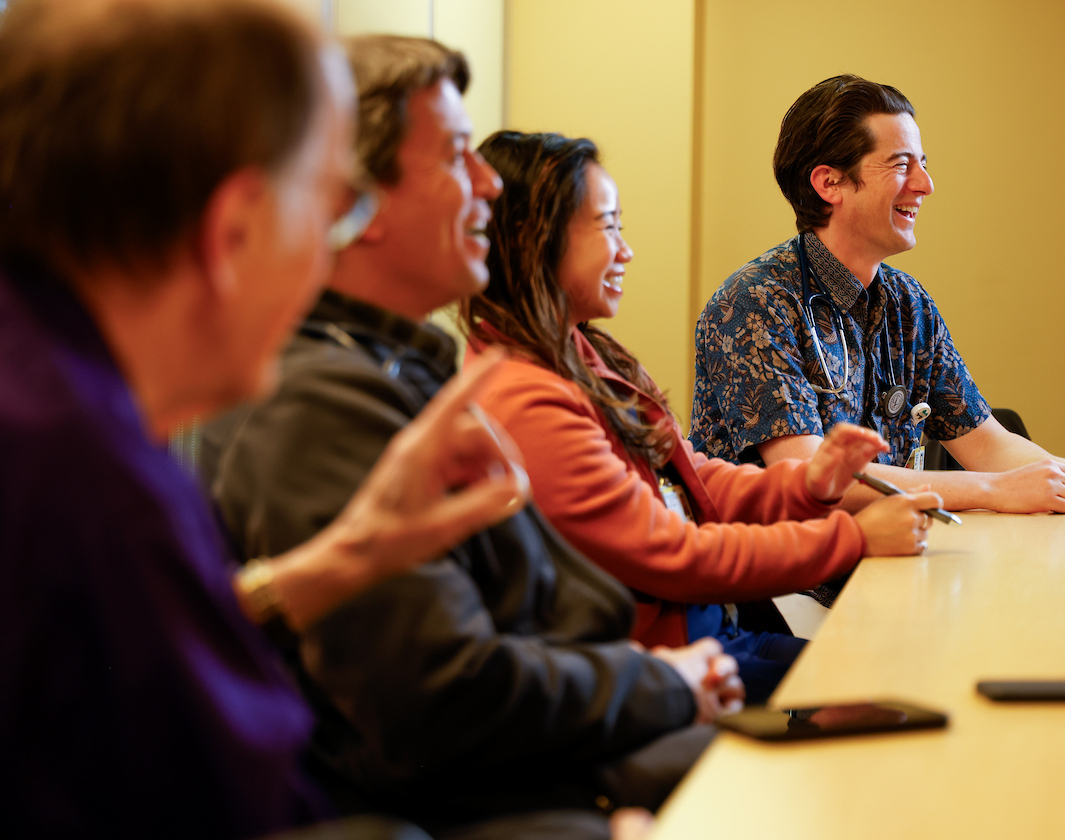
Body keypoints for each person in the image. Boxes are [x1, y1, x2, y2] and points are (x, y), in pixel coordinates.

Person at [0, 2, 531, 837]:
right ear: (236, 229)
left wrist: (337, 562)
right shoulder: (89, 478)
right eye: (335, 207)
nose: (331, 247)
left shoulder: (52, 392)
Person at [201, 35, 741, 839]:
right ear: (354, 201)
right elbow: (439, 702)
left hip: (548, 738)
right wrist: (658, 684)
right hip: (472, 799)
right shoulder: (317, 401)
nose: (488, 183)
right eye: (458, 155)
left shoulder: (395, 368)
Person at [462, 130, 942, 703]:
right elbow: (672, 552)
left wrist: (809, 486)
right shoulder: (524, 397)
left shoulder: (587, 354)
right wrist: (851, 538)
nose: (625, 250)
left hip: (712, 630)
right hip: (658, 670)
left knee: (908, 666)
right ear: (534, 241)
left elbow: (694, 479)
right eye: (608, 226)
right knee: (892, 685)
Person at [690, 74, 1065, 515]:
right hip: (780, 577)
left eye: (922, 162)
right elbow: (810, 477)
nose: (925, 184)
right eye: (901, 165)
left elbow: (987, 444)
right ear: (830, 183)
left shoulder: (907, 303)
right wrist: (991, 490)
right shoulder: (755, 303)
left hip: (882, 558)